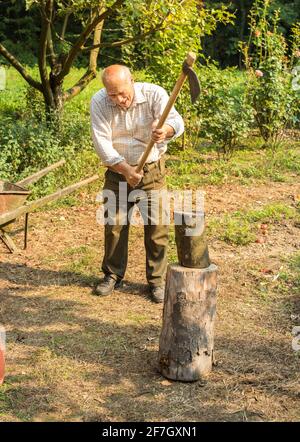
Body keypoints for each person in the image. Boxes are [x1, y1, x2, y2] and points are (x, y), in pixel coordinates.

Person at [90, 65, 184, 303]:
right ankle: (112, 275)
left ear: (132, 80)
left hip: (152, 171)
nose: (119, 99)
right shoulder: (99, 102)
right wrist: (126, 170)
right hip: (117, 172)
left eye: (122, 92)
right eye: (112, 94)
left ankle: (157, 281)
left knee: (157, 226)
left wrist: (165, 130)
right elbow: (102, 144)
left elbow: (176, 122)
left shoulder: (154, 94)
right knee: (114, 225)